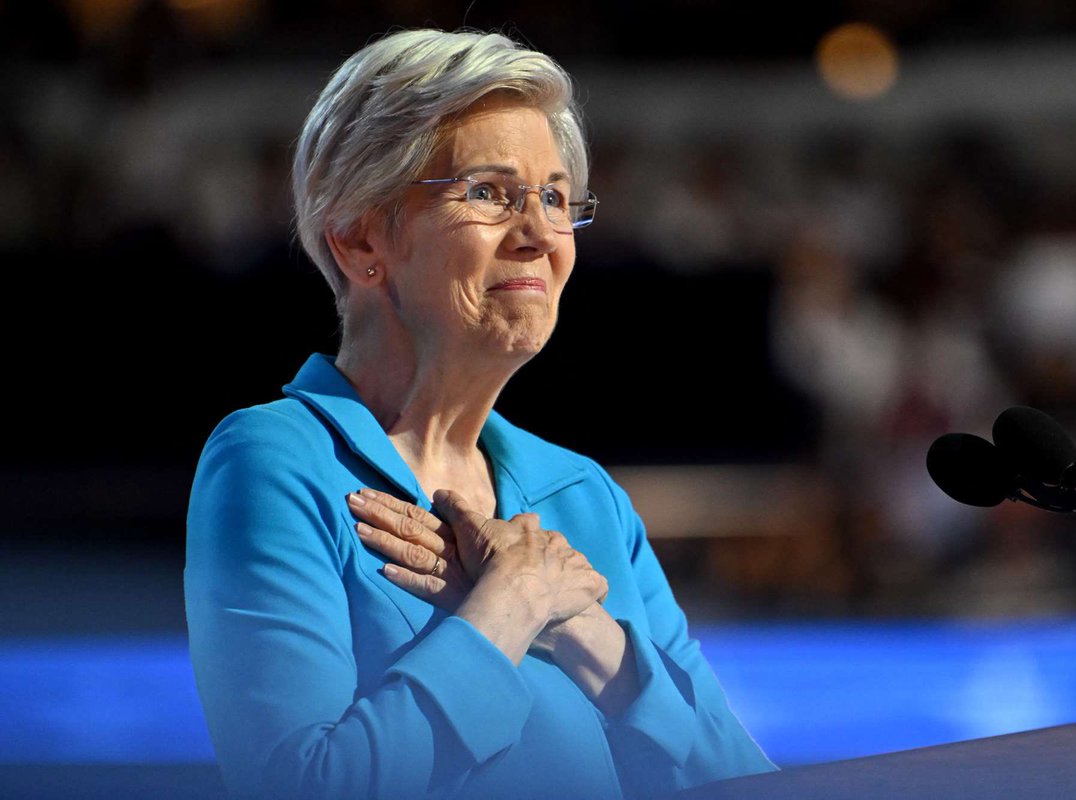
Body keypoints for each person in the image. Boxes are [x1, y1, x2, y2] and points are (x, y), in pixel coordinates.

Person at [185, 28, 776, 800]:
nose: (539, 236)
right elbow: (304, 788)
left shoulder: (583, 496)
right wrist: (511, 607)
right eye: (490, 193)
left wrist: (589, 637)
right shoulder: (276, 463)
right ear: (361, 237)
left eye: (557, 198)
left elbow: (747, 784)